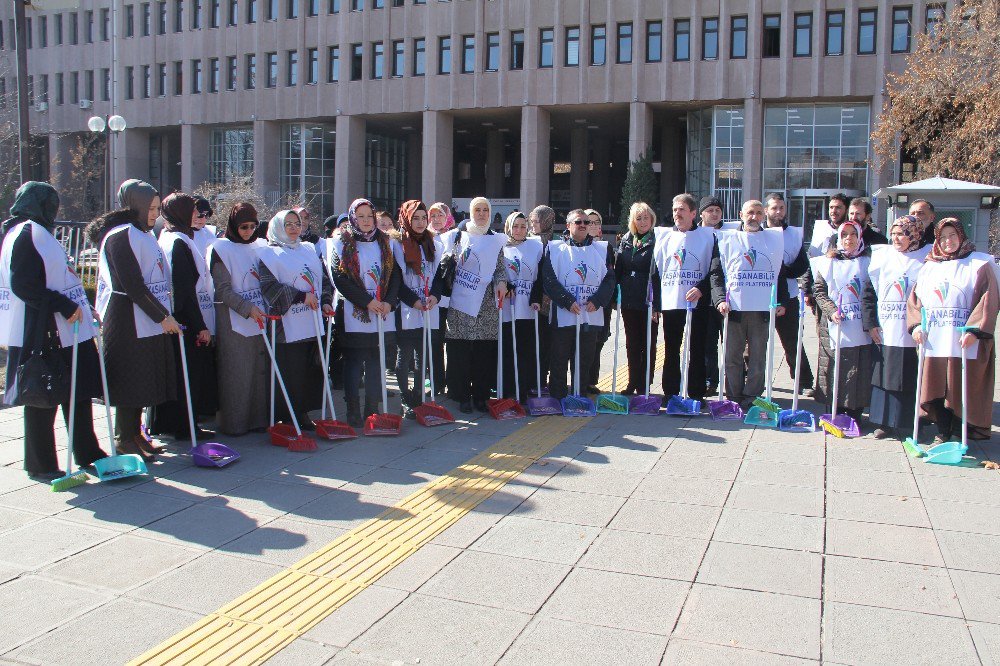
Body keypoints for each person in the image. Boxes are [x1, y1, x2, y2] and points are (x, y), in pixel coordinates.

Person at [0, 182, 108, 479]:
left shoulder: (32, 231)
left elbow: (62, 276)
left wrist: (82, 306)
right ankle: (41, 462)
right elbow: (24, 284)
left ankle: (87, 450)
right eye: (50, 205)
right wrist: (63, 305)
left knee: (79, 389)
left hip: (67, 325)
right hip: (46, 331)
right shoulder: (25, 234)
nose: (54, 211)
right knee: (42, 395)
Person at [86, 179, 179, 461]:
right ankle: (124, 437)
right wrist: (162, 317)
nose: (155, 214)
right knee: (131, 378)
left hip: (148, 315)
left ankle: (136, 433)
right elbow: (132, 284)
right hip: (127, 318)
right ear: (134, 206)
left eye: (156, 208)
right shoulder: (120, 235)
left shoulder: (143, 234)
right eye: (150, 208)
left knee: (145, 378)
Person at [908, 218, 999, 442]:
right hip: (936, 339)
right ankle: (943, 430)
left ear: (961, 236)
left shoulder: (979, 264)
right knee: (936, 385)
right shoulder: (929, 266)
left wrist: (974, 330)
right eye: (944, 237)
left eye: (953, 236)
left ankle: (960, 431)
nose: (948, 241)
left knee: (960, 387)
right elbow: (915, 300)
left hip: (964, 339)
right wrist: (917, 325)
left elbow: (988, 299)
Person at [149, 193, 218, 440]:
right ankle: (185, 425)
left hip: (176, 314)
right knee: (188, 373)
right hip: (186, 317)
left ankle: (176, 423)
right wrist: (200, 325)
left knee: (179, 372)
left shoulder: (168, 237)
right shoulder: (178, 242)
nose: (197, 215)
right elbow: (185, 289)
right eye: (191, 210)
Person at [257, 209, 334, 429]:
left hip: (312, 320)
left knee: (308, 371)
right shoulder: (268, 254)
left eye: (297, 223)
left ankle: (302, 412)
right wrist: (301, 296)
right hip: (286, 325)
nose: (293, 228)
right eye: (288, 224)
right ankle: (287, 415)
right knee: (291, 369)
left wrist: (326, 300)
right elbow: (269, 286)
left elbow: (323, 279)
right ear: (278, 226)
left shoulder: (309, 249)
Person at [327, 199, 399, 425]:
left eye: (370, 216)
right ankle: (353, 409)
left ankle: (372, 407)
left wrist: (388, 301)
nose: (366, 221)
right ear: (352, 218)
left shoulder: (386, 242)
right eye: (361, 216)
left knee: (377, 362)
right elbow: (340, 280)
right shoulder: (341, 243)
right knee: (355, 362)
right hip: (354, 313)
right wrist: (367, 301)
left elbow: (395, 275)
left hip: (382, 311)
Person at [710, 200, 787, 411]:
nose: (754, 217)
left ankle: (752, 396)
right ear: (741, 214)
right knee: (732, 356)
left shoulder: (772, 240)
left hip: (761, 310)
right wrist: (719, 300)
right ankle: (733, 397)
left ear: (763, 216)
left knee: (758, 356)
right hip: (733, 309)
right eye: (750, 213)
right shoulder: (727, 240)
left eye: (759, 213)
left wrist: (781, 301)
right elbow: (716, 273)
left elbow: (779, 273)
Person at [864, 215, 931, 439]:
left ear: (914, 235)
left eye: (902, 234)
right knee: (884, 374)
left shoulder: (927, 258)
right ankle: (884, 422)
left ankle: (913, 423)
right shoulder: (883, 257)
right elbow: (869, 292)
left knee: (912, 374)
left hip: (914, 329)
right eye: (893, 234)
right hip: (886, 326)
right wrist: (871, 323)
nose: (896, 238)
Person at [440, 196, 508, 413]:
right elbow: (447, 263)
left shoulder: (496, 240)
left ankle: (480, 396)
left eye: (485, 210)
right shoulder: (458, 236)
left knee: (483, 353)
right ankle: (461, 395)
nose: (481, 214)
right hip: (460, 303)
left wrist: (502, 283)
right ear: (470, 212)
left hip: (485, 305)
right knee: (459, 352)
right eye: (477, 210)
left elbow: (500, 268)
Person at [208, 203, 269, 435]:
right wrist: (247, 307)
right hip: (233, 317)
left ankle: (257, 420)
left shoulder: (259, 245)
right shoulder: (221, 248)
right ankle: (235, 423)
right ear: (234, 225)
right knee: (237, 371)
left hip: (259, 315)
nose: (249, 231)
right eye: (244, 226)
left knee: (258, 370)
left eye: (253, 226)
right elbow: (222, 289)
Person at [542, 209, 615, 400]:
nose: (583, 225)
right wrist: (566, 301)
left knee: (584, 358)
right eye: (578, 222)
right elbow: (548, 280)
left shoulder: (601, 249)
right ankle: (557, 395)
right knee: (559, 357)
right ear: (568, 225)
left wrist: (598, 300)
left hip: (589, 314)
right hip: (564, 314)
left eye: (586, 222)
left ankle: (579, 395)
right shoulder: (555, 248)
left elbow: (609, 279)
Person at [651, 194, 716, 404]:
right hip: (672, 303)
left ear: (693, 213)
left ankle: (696, 393)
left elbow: (715, 269)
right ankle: (670, 392)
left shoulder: (708, 236)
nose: (676, 214)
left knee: (697, 348)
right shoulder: (663, 237)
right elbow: (656, 272)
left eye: (681, 210)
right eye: (674, 210)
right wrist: (657, 304)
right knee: (671, 348)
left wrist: (701, 288)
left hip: (699, 303)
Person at [811, 221, 873, 425]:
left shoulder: (869, 261)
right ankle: (834, 412)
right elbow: (819, 291)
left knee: (859, 369)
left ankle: (855, 413)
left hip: (860, 324)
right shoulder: (828, 263)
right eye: (844, 234)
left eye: (853, 234)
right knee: (835, 368)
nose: (848, 239)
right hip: (835, 324)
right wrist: (831, 310)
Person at [391, 200, 442, 419]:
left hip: (428, 306)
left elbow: (438, 276)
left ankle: (419, 396)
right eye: (416, 218)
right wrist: (414, 301)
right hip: (407, 308)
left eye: (424, 218)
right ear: (406, 219)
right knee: (405, 356)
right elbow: (395, 282)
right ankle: (405, 397)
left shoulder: (433, 242)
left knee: (424, 356)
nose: (421, 223)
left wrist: (434, 296)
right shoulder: (396, 244)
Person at [764, 193, 815, 397]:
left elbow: (803, 264)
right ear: (766, 210)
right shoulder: (757, 232)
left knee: (792, 340)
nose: (778, 212)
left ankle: (804, 380)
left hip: (789, 295)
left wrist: (781, 271)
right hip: (760, 294)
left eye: (781, 208)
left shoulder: (794, 234)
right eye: (774, 208)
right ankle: (750, 377)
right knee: (754, 342)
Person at [613, 202, 658, 395]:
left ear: (652, 219)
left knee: (648, 343)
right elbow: (619, 269)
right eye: (638, 218)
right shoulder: (626, 240)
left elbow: (658, 273)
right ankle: (632, 382)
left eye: (645, 218)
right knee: (632, 343)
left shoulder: (657, 240)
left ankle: (644, 384)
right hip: (629, 298)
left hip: (647, 298)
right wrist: (615, 296)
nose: (642, 222)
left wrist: (657, 304)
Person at [501, 211, 544, 402]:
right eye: (515, 226)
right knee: (508, 349)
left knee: (526, 350)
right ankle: (509, 389)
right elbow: (496, 272)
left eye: (523, 226)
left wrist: (536, 297)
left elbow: (540, 276)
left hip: (527, 307)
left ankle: (524, 389)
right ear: (509, 227)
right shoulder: (501, 245)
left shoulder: (536, 246)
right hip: (507, 306)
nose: (519, 230)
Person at [528, 204, 557, 392]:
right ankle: (531, 380)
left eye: (537, 222)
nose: (532, 225)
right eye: (531, 221)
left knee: (546, 344)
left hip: (548, 302)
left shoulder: (555, 244)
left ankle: (542, 381)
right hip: (528, 299)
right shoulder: (529, 241)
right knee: (531, 344)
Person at [584, 209, 614, 392]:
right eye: (589, 222)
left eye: (596, 222)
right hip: (580, 301)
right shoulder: (575, 245)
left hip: (601, 301)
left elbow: (610, 274)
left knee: (598, 340)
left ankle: (591, 380)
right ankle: (580, 378)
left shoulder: (605, 247)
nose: (593, 226)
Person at [698, 195, 725, 394]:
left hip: (728, 296)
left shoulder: (733, 233)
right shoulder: (696, 234)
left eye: (717, 210)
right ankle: (710, 380)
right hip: (704, 296)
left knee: (732, 343)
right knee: (708, 342)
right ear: (701, 214)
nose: (714, 214)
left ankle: (736, 380)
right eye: (710, 210)